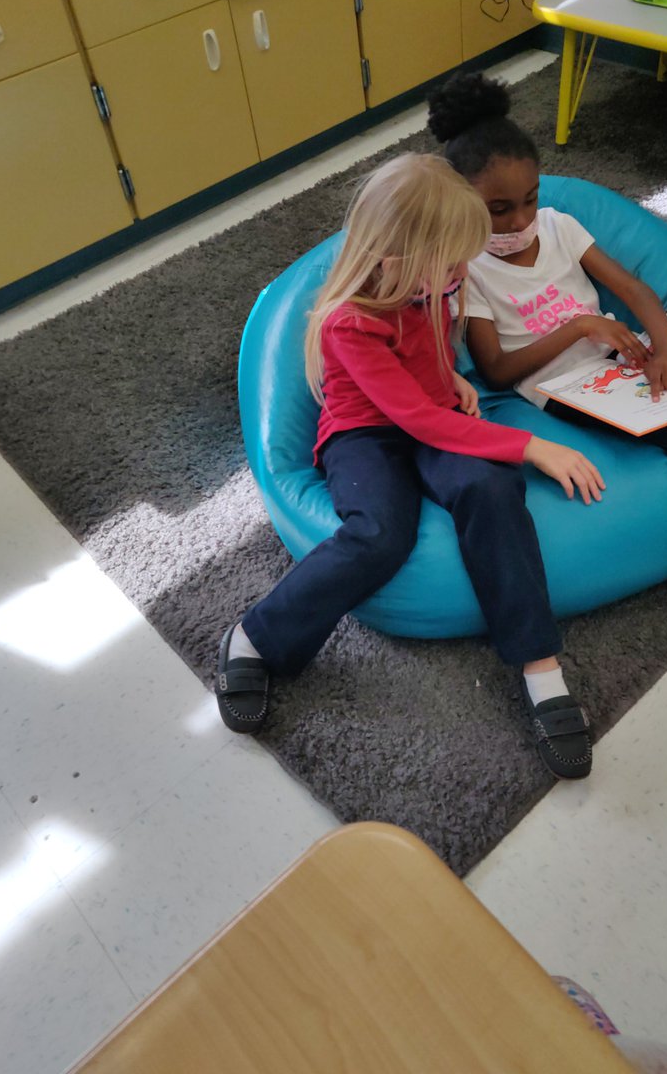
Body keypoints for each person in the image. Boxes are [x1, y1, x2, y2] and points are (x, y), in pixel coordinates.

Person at [426, 69, 667, 687]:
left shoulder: (559, 226)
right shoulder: (470, 269)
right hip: (570, 392)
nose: (519, 219)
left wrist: (666, 346)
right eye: (498, 209)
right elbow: (498, 370)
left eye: (529, 198)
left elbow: (635, 290)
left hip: (626, 361)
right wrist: (579, 327)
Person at [217, 152, 606, 778]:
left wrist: (451, 376)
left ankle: (540, 668)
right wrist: (532, 445)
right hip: (364, 433)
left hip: (431, 411)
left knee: (490, 487)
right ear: (393, 259)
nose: (461, 274)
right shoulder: (349, 322)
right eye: (449, 263)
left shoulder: (437, 281)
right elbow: (415, 419)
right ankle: (256, 636)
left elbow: (430, 351)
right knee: (379, 534)